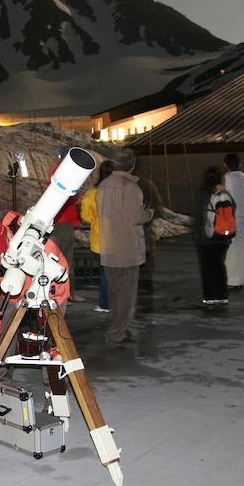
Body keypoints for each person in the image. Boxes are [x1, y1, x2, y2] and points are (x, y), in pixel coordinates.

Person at [0, 214, 71, 346]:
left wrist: (48, 306)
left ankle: (53, 358)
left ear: (7, 236)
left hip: (49, 291)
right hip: (12, 292)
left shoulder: (39, 243)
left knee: (51, 339)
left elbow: (57, 275)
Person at [96, 148, 151, 345]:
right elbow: (135, 217)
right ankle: (117, 332)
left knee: (114, 292)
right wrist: (149, 214)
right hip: (126, 248)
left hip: (108, 246)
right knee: (126, 295)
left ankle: (115, 328)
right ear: (133, 166)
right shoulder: (130, 187)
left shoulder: (104, 185)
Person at [47, 147, 87, 303]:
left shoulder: (57, 171)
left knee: (60, 259)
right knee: (64, 260)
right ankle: (65, 294)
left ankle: (66, 293)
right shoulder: (63, 173)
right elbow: (70, 198)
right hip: (62, 223)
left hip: (61, 221)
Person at [193, 167, 233, 310]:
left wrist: (197, 237)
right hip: (223, 238)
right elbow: (232, 211)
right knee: (219, 266)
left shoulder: (201, 194)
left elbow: (197, 217)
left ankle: (210, 297)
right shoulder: (224, 194)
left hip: (206, 238)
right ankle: (222, 296)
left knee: (207, 268)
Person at [80, 160, 114, 313]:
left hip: (100, 239)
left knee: (105, 274)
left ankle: (105, 304)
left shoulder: (92, 194)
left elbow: (86, 217)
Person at [222, 153, 244, 292]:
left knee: (231, 251)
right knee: (240, 249)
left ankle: (232, 281)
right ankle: (239, 278)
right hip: (243, 218)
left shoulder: (227, 178)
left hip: (231, 219)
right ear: (240, 164)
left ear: (225, 165)